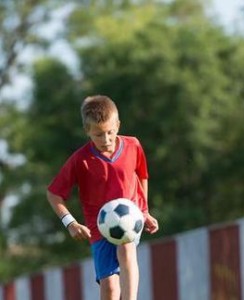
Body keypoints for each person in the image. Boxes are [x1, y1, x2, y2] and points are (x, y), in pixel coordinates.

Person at [47, 95, 159, 300]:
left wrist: (144, 211)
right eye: (98, 134)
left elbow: (142, 175)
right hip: (98, 228)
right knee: (109, 289)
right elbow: (53, 193)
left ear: (118, 124)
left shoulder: (133, 145)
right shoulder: (80, 160)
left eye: (110, 132)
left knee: (126, 246)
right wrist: (70, 223)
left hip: (130, 219)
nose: (106, 139)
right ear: (87, 131)